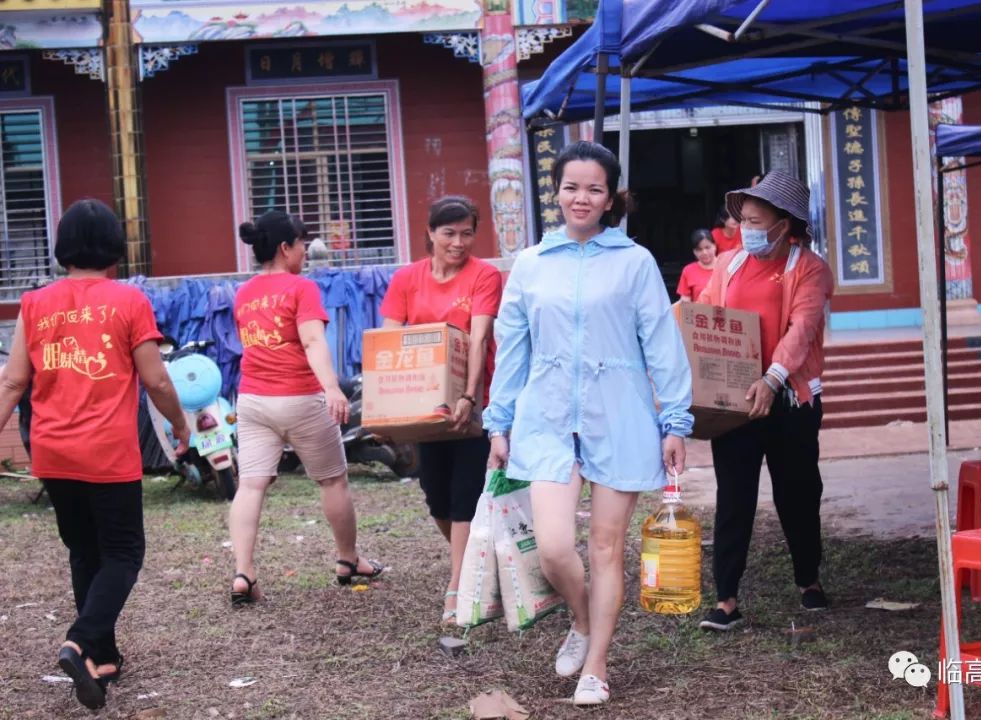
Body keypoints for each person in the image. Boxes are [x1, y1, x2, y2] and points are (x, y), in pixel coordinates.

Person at [484, 141, 693, 706]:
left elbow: (662, 344)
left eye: (594, 189)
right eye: (571, 186)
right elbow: (512, 349)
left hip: (619, 414)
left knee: (605, 548)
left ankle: (596, 666)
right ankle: (579, 619)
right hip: (546, 417)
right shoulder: (530, 264)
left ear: (611, 198)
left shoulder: (635, 262)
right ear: (556, 192)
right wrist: (498, 422)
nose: (581, 197)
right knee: (554, 547)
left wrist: (675, 420)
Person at [0, 199, 191, 711]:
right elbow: (155, 377)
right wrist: (178, 422)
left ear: (63, 247)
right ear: (113, 248)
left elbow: (15, 379)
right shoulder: (128, 301)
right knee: (124, 554)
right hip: (107, 454)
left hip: (53, 452)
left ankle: (100, 659)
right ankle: (80, 639)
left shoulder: (35, 303)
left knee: (85, 552)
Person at [697, 171, 834, 632]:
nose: (747, 229)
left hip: (790, 399)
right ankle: (726, 599)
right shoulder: (728, 265)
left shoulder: (809, 268)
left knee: (797, 492)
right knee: (734, 495)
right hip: (737, 399)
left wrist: (773, 380)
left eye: (757, 220)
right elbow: (708, 319)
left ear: (783, 223)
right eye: (744, 221)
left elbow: (802, 329)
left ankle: (808, 579)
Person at [228, 210, 382, 606]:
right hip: (299, 397)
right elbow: (313, 342)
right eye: (301, 245)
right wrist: (332, 388)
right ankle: (347, 560)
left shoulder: (244, 292)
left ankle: (244, 571)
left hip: (253, 401)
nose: (305, 253)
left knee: (250, 485)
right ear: (285, 248)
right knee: (332, 480)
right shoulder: (301, 288)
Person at [380, 195, 502, 624]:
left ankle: (459, 587)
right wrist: (387, 411)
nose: (458, 242)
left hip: (474, 400)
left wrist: (471, 397)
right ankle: (477, 567)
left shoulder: (484, 275)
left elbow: (480, 337)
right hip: (425, 405)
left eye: (467, 233)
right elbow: (389, 343)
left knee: (465, 496)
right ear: (430, 233)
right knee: (435, 497)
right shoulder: (406, 280)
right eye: (449, 233)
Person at [676, 229, 718, 302]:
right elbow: (686, 302)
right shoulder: (688, 270)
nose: (704, 252)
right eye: (699, 249)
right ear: (694, 252)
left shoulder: (727, 267)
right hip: (699, 313)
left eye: (707, 247)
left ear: (714, 246)